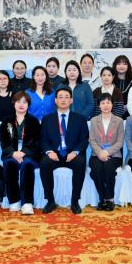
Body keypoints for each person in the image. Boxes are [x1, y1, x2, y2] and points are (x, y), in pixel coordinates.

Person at [40, 87, 89, 215]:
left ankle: (75, 201)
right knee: (44, 163)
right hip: (55, 154)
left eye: (67, 97)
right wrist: (49, 152)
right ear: (55, 100)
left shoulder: (80, 118)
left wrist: (75, 152)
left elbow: (84, 140)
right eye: (60, 97)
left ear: (71, 100)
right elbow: (43, 140)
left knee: (80, 162)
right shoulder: (47, 119)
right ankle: (50, 201)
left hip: (72, 153)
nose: (63, 100)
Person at [0, 91, 41, 215]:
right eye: (18, 102)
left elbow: (36, 141)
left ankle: (27, 203)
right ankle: (14, 201)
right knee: (10, 164)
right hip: (11, 154)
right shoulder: (6, 121)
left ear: (28, 105)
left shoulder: (33, 121)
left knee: (27, 165)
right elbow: (4, 142)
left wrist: (23, 152)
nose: (21, 105)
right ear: (13, 103)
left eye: (24, 102)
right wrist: (13, 153)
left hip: (29, 154)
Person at [89, 93, 124, 211]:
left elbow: (120, 142)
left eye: (108, 102)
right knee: (96, 169)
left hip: (114, 155)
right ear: (99, 105)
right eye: (103, 103)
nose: (105, 105)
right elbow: (92, 140)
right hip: (96, 154)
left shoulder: (119, 121)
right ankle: (102, 199)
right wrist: (100, 153)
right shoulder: (94, 120)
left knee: (108, 167)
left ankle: (109, 199)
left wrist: (107, 152)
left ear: (112, 104)